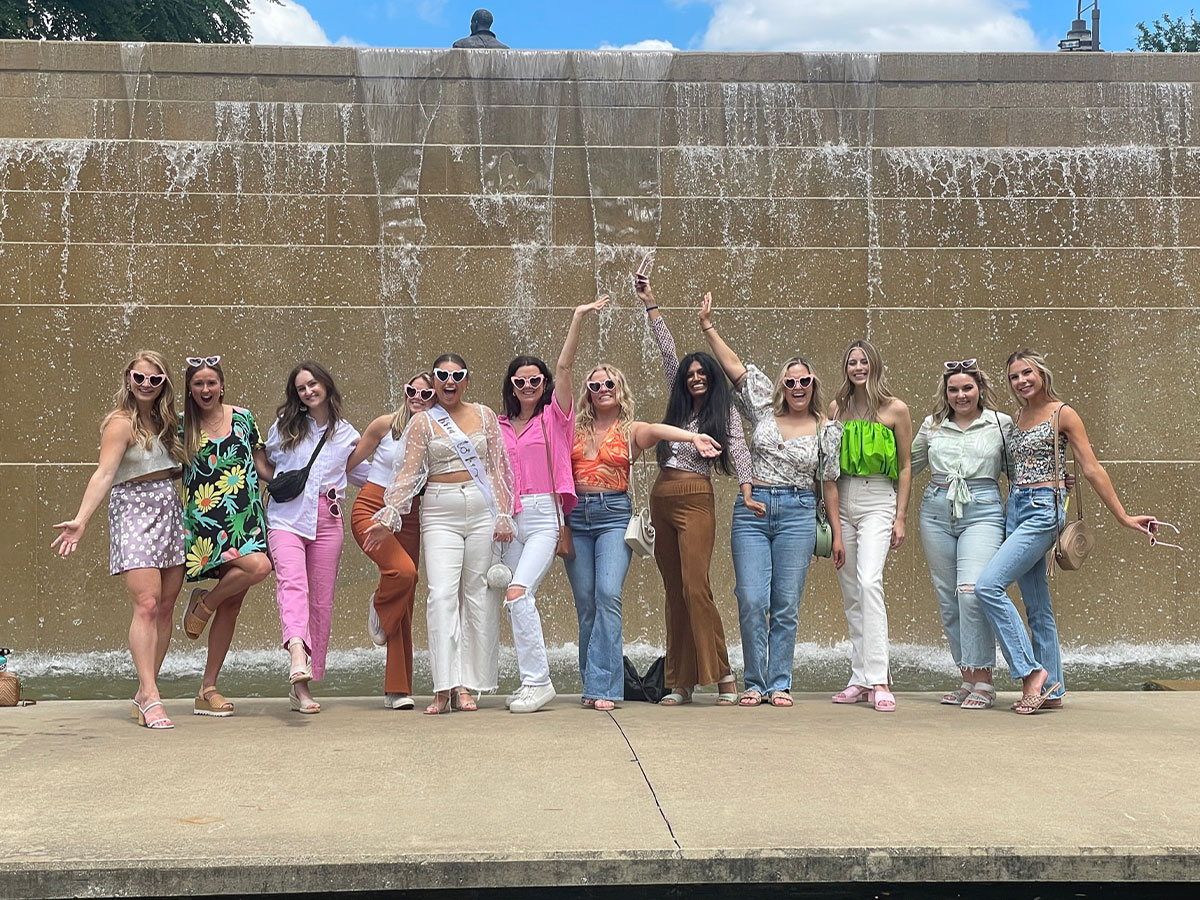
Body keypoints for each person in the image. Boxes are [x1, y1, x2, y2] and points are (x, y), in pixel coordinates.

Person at [975, 349, 1155, 715]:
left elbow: (1091, 468)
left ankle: (1030, 672)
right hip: (1016, 508)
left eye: (1027, 373)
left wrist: (1122, 516)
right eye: (1014, 377)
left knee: (987, 586)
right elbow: (1024, 466)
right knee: (1038, 606)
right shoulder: (1018, 416)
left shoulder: (1063, 413)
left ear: (1041, 373)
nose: (1021, 381)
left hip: (1042, 512)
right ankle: (1053, 687)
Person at [699, 295, 844, 708]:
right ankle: (754, 682)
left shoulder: (827, 429)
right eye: (791, 381)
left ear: (814, 384)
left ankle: (779, 682)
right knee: (751, 598)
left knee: (785, 604)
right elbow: (736, 369)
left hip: (799, 512)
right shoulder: (763, 409)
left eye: (805, 380)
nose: (797, 386)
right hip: (754, 507)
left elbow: (829, 482)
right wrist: (708, 327)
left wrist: (834, 534)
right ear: (781, 385)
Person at [365, 353, 516, 715]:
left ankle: (467, 685)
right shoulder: (423, 422)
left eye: (457, 375)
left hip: (481, 510)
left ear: (466, 379)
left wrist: (504, 512)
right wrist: (390, 514)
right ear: (434, 381)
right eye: (442, 375)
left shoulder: (484, 416)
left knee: (477, 594)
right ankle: (442, 686)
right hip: (439, 508)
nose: (450, 381)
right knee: (441, 594)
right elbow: (407, 472)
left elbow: (497, 467)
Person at [567, 363, 723, 711]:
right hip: (576, 516)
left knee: (607, 595)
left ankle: (606, 687)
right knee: (587, 605)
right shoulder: (573, 428)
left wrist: (692, 437)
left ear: (619, 388)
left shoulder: (630, 430)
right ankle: (592, 683)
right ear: (587, 392)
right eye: (595, 385)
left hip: (612, 514)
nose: (603, 388)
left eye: (609, 382)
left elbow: (657, 429)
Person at [52, 351, 187, 730]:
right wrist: (81, 520)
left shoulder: (167, 422)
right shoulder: (120, 423)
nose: (146, 385)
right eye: (139, 378)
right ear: (128, 378)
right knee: (146, 603)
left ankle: (146, 690)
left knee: (165, 607)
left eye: (154, 379)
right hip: (133, 509)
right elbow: (103, 474)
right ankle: (151, 696)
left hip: (169, 508)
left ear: (164, 383)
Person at [635, 269, 752, 707]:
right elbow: (668, 354)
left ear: (712, 378)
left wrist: (746, 487)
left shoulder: (725, 414)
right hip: (662, 497)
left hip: (696, 499)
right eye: (691, 374)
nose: (695, 377)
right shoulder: (678, 404)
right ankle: (679, 680)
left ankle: (722, 673)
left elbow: (738, 448)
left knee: (695, 585)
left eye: (703, 373)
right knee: (672, 590)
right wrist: (652, 304)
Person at [495, 299, 611, 713]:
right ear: (511, 386)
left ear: (543, 383)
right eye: (520, 382)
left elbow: (565, 370)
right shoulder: (499, 424)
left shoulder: (554, 417)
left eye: (534, 381)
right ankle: (518, 681)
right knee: (509, 598)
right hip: (509, 519)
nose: (528, 387)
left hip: (545, 516)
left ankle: (539, 682)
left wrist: (577, 318)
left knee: (518, 591)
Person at [264, 362, 368, 715]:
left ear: (325, 384)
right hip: (286, 518)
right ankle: (296, 651)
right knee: (293, 585)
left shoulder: (347, 434)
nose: (308, 392)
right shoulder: (285, 427)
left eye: (312, 384)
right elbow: (263, 461)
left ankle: (302, 687)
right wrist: (282, 482)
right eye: (301, 388)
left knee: (321, 601)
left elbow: (364, 475)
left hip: (328, 520)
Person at [177, 356, 273, 717]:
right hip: (206, 520)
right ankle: (205, 605)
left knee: (233, 601)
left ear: (222, 385)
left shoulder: (244, 417)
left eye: (211, 383)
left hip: (245, 516)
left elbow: (262, 465)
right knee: (258, 567)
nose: (205, 390)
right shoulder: (180, 425)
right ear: (190, 388)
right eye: (199, 384)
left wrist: (292, 475)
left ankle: (208, 688)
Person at [911, 359, 1009, 711]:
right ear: (946, 392)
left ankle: (985, 679)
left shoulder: (1000, 424)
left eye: (967, 388)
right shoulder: (932, 425)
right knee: (948, 599)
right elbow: (908, 464)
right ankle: (967, 677)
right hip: (936, 510)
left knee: (971, 592)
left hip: (982, 509)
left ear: (979, 388)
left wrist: (1055, 482)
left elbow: (1020, 467)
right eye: (953, 389)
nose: (960, 395)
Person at [829, 339, 912, 713]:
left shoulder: (895, 410)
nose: (858, 367)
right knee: (851, 591)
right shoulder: (836, 409)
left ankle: (879, 678)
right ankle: (859, 677)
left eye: (863, 361)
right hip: (844, 498)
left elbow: (907, 466)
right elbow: (827, 468)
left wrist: (901, 516)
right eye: (852, 362)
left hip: (879, 498)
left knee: (868, 582)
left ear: (874, 365)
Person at [347, 372, 435, 710]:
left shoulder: (437, 430)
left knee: (407, 599)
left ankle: (397, 688)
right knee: (404, 573)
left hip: (409, 514)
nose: (417, 397)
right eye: (412, 390)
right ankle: (380, 606)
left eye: (426, 393)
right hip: (372, 507)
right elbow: (347, 464)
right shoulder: (386, 425)